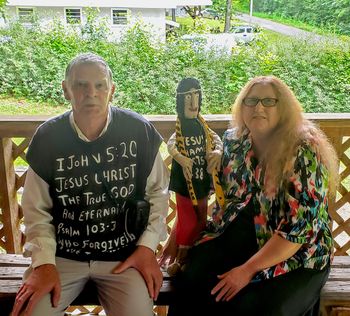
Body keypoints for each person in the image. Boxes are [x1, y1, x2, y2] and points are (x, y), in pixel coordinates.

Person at [162, 75, 339, 316]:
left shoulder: (303, 150)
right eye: (251, 100)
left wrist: (246, 270)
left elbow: (298, 230)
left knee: (261, 308)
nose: (258, 107)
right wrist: (178, 234)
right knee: (191, 285)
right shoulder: (234, 141)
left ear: (284, 107)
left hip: (297, 252)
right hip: (240, 235)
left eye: (269, 101)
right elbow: (204, 190)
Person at [12, 53, 169, 316]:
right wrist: (43, 263)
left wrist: (146, 248)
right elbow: (35, 209)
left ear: (112, 90)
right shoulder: (48, 137)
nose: (91, 93)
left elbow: (158, 194)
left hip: (123, 255)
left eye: (100, 85)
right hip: (62, 256)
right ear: (66, 90)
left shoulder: (139, 131)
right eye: (80, 85)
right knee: (29, 313)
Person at [162, 78, 223, 276]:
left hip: (201, 182)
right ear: (181, 100)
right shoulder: (181, 127)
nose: (192, 101)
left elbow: (216, 140)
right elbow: (171, 144)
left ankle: (190, 257)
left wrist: (218, 153)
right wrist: (180, 158)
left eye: (196, 95)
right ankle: (179, 259)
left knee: (199, 220)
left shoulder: (202, 126)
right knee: (187, 219)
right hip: (185, 184)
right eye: (188, 96)